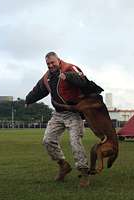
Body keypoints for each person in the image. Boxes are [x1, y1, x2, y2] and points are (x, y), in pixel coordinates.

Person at [25, 52, 91, 187]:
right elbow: (39, 89)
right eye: (48, 64)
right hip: (58, 114)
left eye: (52, 63)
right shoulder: (47, 76)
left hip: (74, 113)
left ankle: (84, 173)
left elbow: (84, 81)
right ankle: (63, 166)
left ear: (58, 60)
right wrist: (28, 99)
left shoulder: (70, 68)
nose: (50, 66)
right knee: (47, 140)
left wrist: (68, 77)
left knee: (75, 142)